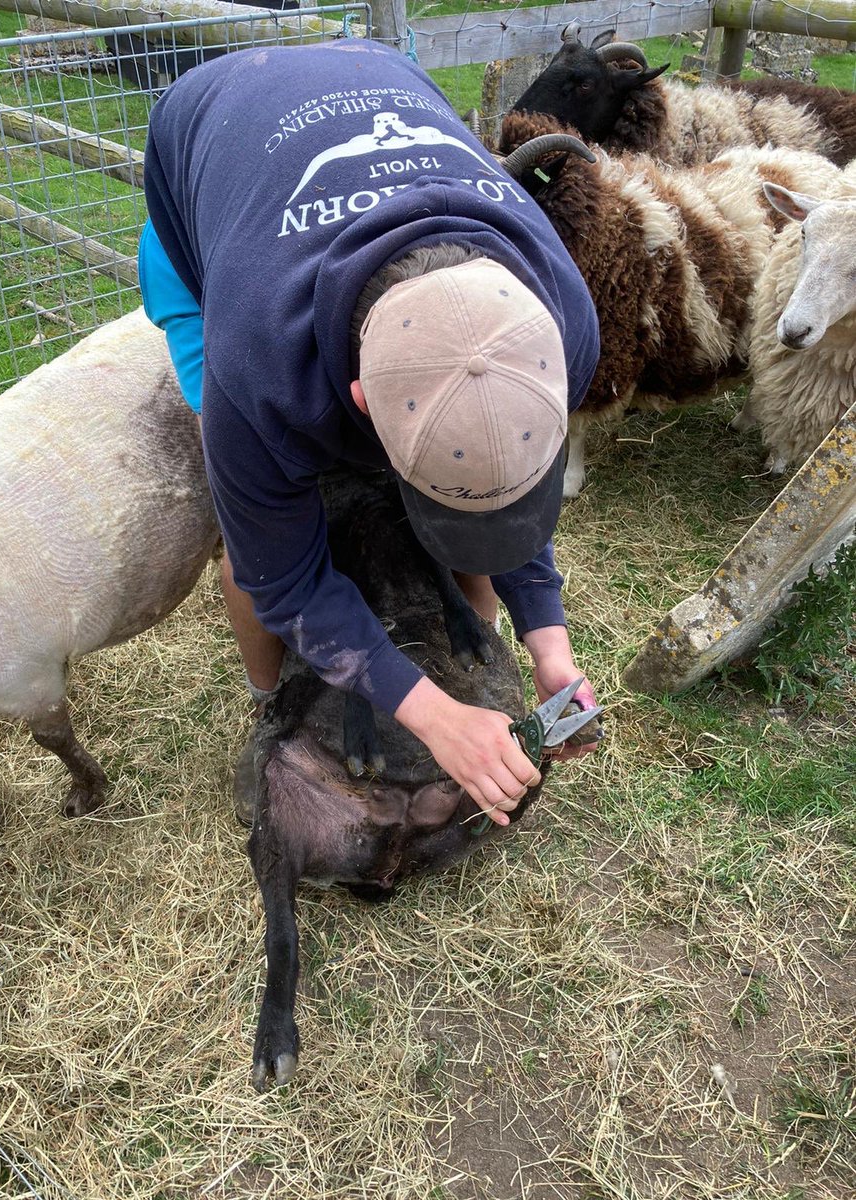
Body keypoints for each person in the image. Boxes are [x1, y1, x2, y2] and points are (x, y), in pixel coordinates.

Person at [140, 37, 602, 828]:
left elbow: (505, 463)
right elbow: (282, 577)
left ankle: (470, 668)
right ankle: (270, 700)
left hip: (372, 74)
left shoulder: (561, 317)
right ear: (357, 398)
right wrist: (432, 721)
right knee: (251, 544)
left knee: (454, 500)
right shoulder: (259, 368)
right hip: (215, 155)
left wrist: (548, 641)